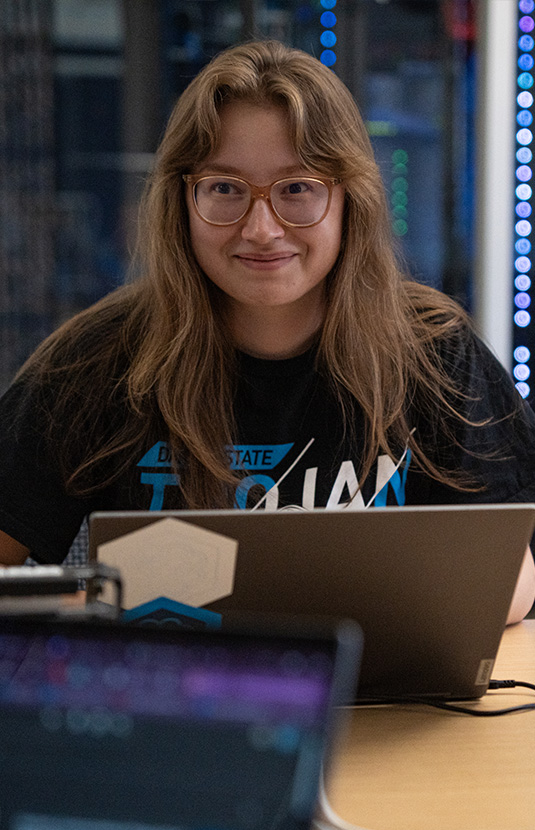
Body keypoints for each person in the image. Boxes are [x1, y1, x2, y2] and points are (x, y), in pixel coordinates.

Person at [0, 40, 534, 623]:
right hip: (171, 706)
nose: (261, 228)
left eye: (297, 188)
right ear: (182, 199)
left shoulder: (437, 355)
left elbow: (511, 582)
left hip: (390, 704)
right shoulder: (92, 364)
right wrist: (90, 614)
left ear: (349, 198)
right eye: (225, 188)